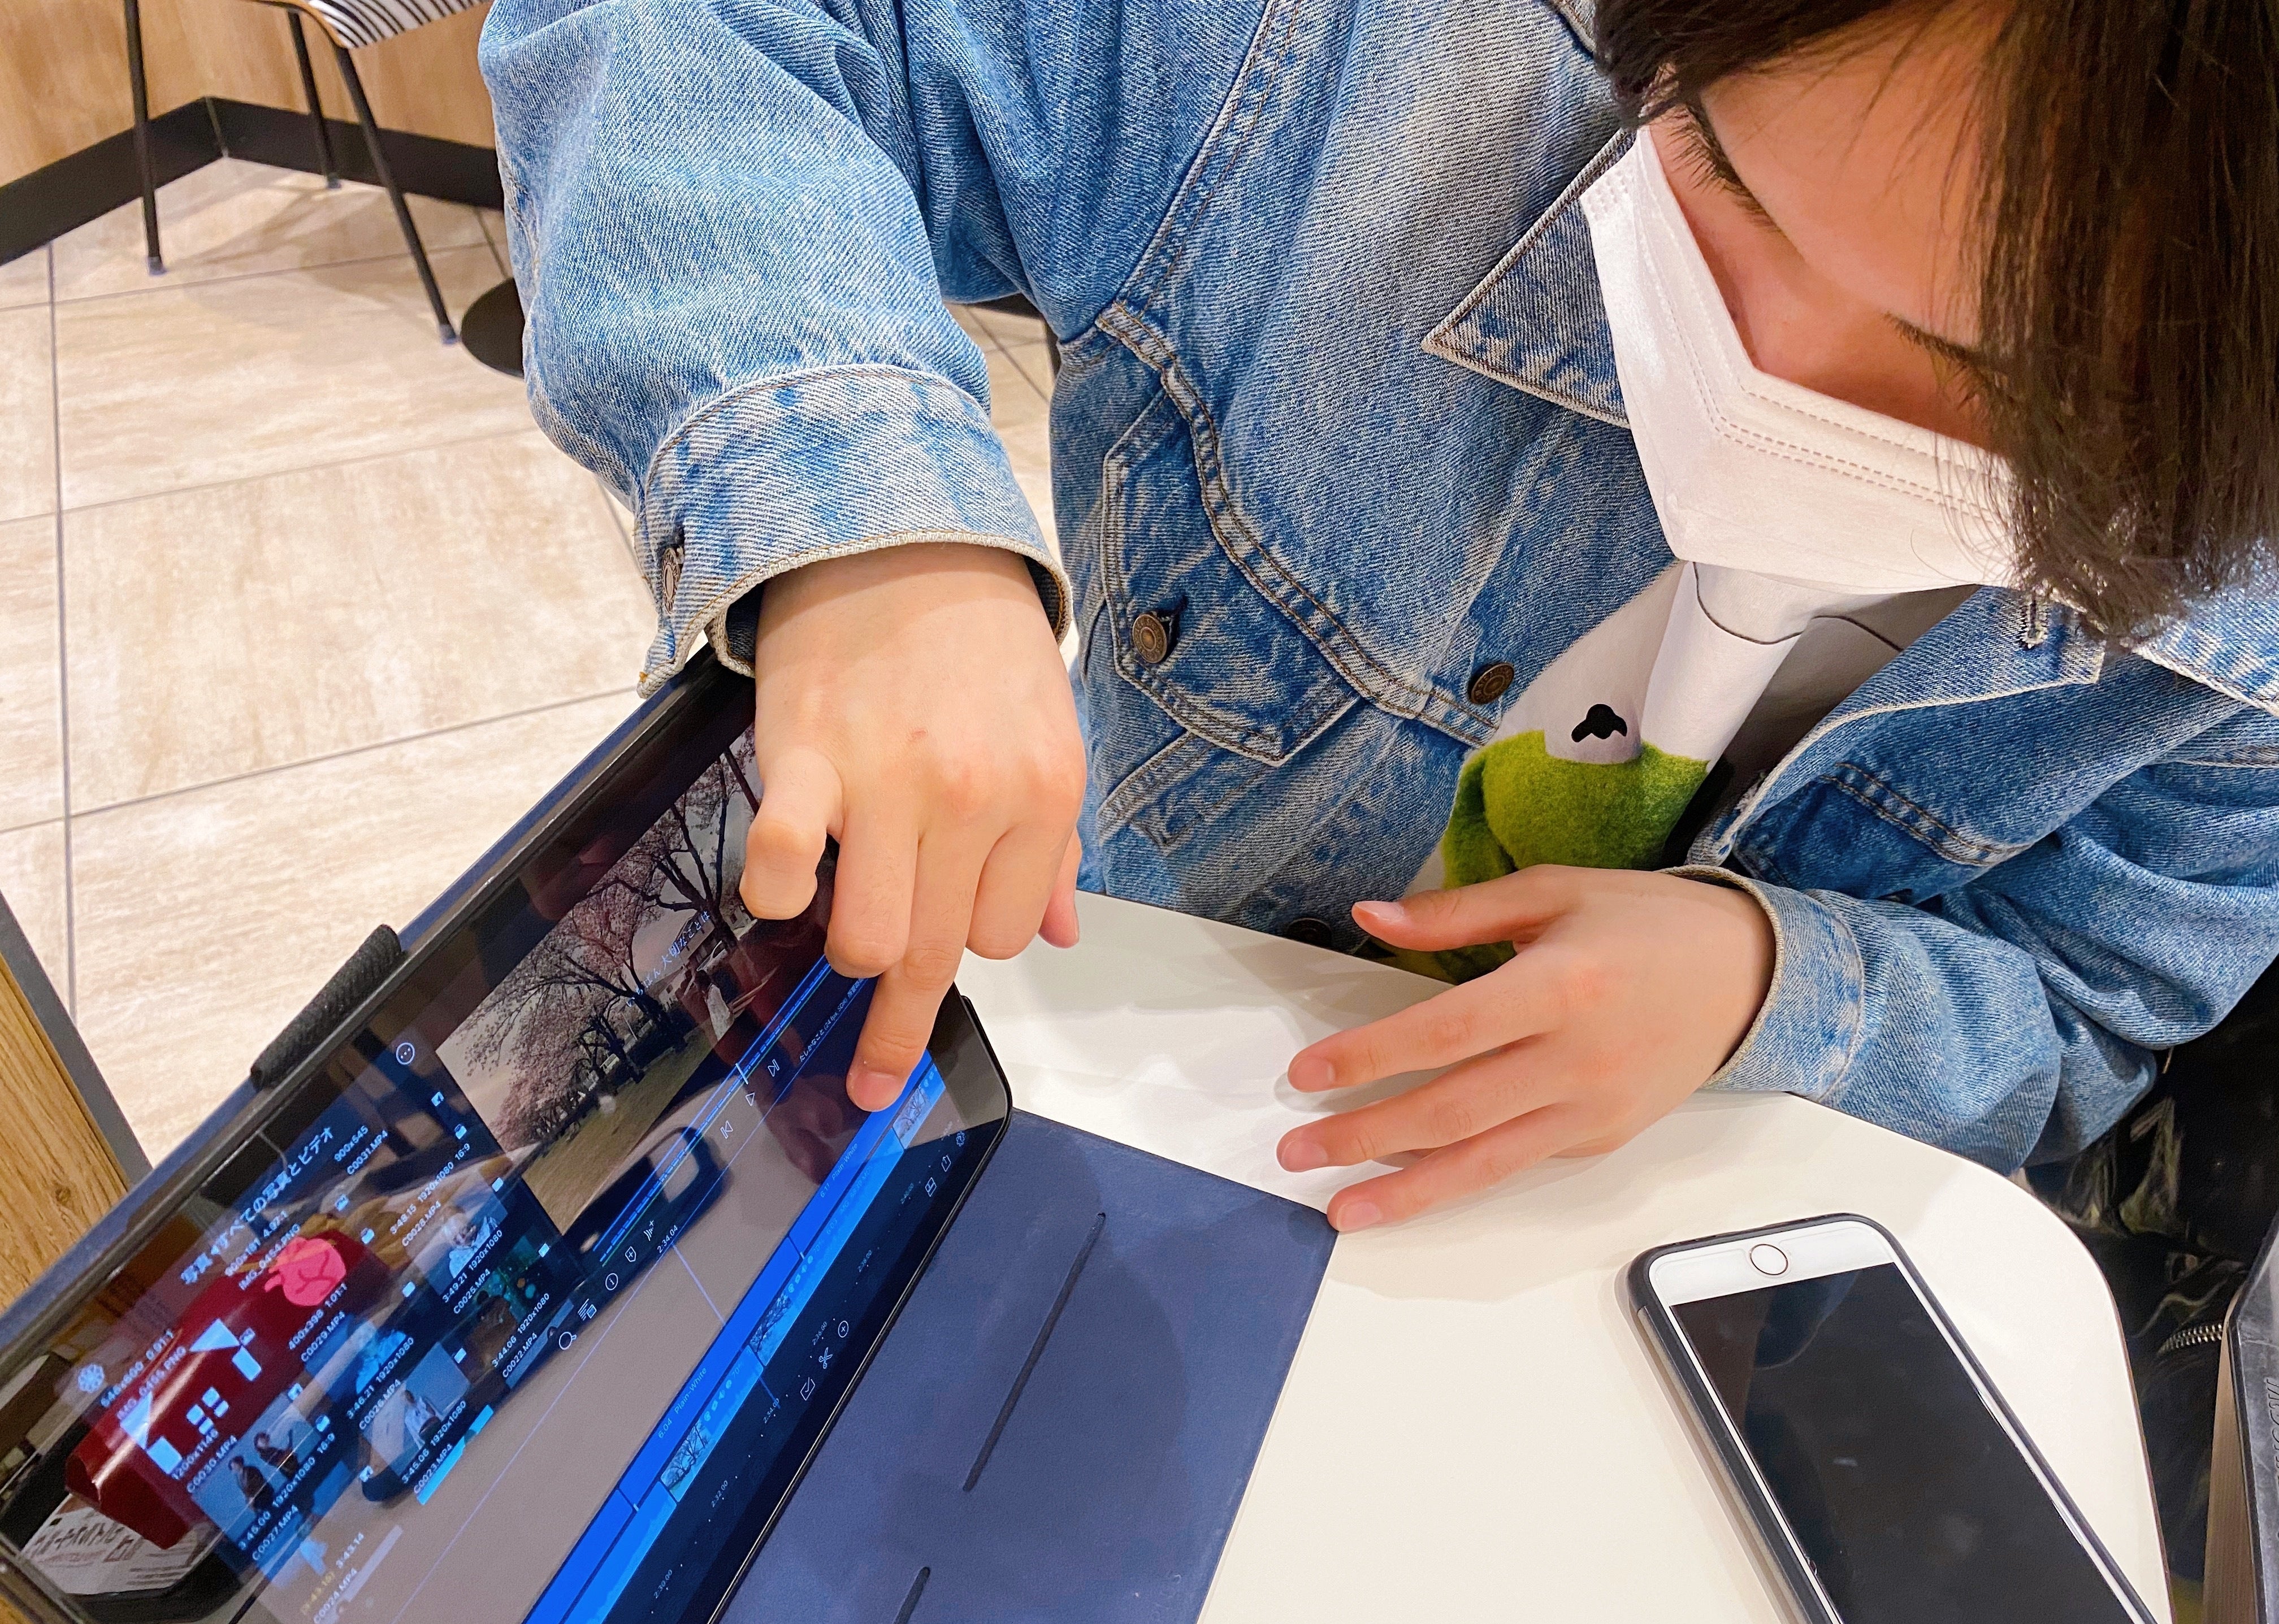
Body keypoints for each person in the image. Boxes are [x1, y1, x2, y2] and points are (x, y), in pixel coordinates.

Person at [480, 0, 2279, 1232]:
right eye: (1727, 180)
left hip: (1616, 1250)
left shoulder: (2239, 652)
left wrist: (1767, 986)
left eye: (1992, 375)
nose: (1780, 353)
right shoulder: (1356, 67)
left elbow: (2090, 999)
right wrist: (868, 533)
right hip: (1107, 1064)